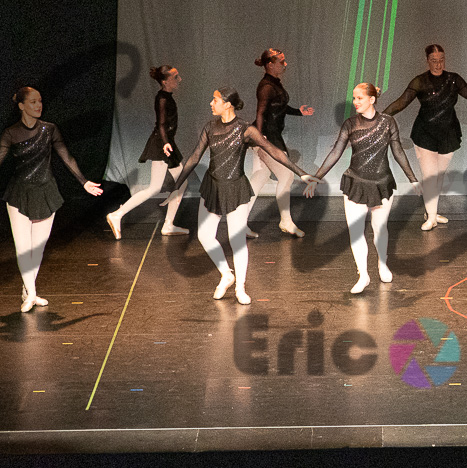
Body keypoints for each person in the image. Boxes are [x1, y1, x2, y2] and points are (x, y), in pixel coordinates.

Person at [0, 87, 105, 313]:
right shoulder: (11, 133)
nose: (39, 105)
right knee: (23, 248)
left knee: (37, 249)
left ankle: (28, 290)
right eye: (33, 102)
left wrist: (84, 181)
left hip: (46, 192)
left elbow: (67, 157)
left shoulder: (50, 129)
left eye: (40, 101)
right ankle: (31, 293)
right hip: (19, 193)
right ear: (21, 106)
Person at [170, 88, 315, 304]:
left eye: (215, 100)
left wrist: (301, 173)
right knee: (205, 236)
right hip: (213, 187)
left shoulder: (245, 129)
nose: (211, 103)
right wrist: (176, 186)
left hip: (235, 188)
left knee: (236, 240)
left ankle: (240, 288)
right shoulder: (210, 127)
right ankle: (226, 274)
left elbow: (273, 151)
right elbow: (194, 157)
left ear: (228, 104)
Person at [385, 43, 467, 231]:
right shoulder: (419, 81)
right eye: (434, 61)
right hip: (425, 134)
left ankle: (430, 212)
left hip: (448, 134)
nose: (438, 64)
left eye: (441, 60)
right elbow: (401, 103)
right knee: (430, 177)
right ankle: (431, 218)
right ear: (427, 61)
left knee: (438, 177)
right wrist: (379, 118)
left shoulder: (454, 79)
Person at [304, 84, 420, 294]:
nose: (355, 102)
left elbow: (398, 151)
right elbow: (335, 152)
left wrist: (413, 179)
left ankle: (382, 264)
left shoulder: (388, 122)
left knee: (380, 229)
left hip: (381, 183)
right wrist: (316, 178)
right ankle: (363, 274)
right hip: (355, 182)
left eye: (359, 98)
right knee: (356, 232)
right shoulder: (350, 124)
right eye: (354, 98)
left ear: (372, 99)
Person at [106, 65, 191, 239]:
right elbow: (161, 124)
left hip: (166, 144)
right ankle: (117, 215)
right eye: (175, 77)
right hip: (161, 145)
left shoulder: (166, 97)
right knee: (160, 187)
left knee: (177, 183)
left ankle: (167, 224)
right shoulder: (162, 98)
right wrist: (165, 144)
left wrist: (167, 143)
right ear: (165, 81)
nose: (179, 79)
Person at [247, 48, 315, 237]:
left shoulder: (274, 84)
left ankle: (239, 222)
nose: (285, 65)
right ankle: (285, 221)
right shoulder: (266, 86)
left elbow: (278, 107)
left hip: (269, 136)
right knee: (286, 175)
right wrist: (260, 138)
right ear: (270, 65)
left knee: (260, 176)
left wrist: (299, 112)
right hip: (266, 137)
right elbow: (260, 112)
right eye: (281, 62)